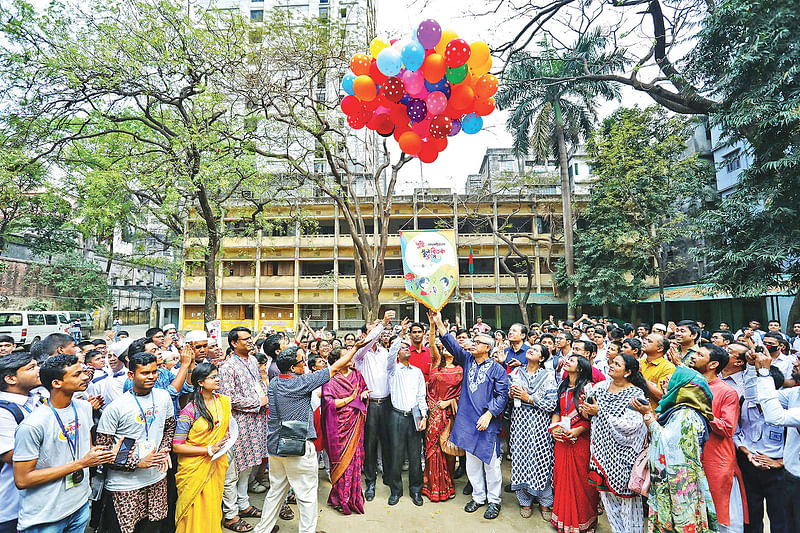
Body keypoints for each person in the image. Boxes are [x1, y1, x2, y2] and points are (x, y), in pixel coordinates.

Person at [252, 335, 370, 533]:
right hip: (297, 447)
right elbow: (334, 368)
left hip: (274, 447)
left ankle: (262, 529)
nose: (304, 363)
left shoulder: (274, 383)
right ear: (292, 368)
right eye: (301, 361)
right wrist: (355, 347)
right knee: (306, 494)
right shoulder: (301, 382)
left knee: (276, 491)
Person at [13, 354, 116, 533]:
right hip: (46, 517)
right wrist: (81, 463)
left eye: (83, 372)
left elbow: (86, 449)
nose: (85, 377)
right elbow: (23, 480)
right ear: (56, 383)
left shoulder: (84, 407)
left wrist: (104, 453)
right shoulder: (33, 424)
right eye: (76, 375)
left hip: (80, 505)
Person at [432, 311, 509, 520]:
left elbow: (502, 395)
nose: (472, 344)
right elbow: (451, 344)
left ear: (487, 348)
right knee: (472, 463)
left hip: (487, 424)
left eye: (478, 342)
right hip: (467, 421)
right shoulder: (467, 361)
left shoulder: (497, 369)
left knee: (491, 464)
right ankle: (478, 497)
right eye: (472, 341)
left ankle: (494, 501)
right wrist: (438, 322)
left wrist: (489, 414)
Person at [630, 366, 718, 533]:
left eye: (672, 380)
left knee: (679, 522)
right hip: (680, 483)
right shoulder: (682, 411)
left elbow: (668, 445)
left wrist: (647, 416)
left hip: (677, 487)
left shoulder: (686, 415)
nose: (666, 382)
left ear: (682, 388)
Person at [96, 352, 176, 533]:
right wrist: (137, 462)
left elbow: (170, 427)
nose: (151, 377)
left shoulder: (163, 397)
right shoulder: (116, 408)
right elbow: (102, 452)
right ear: (131, 375)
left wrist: (164, 449)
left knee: (153, 528)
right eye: (145, 373)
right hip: (125, 487)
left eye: (154, 372)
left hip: (157, 480)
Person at [581, 353, 649, 533]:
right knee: (609, 503)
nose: (611, 365)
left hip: (624, 458)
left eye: (617, 364)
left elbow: (632, 426)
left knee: (628, 506)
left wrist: (599, 412)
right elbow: (588, 415)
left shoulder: (635, 394)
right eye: (612, 362)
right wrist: (586, 410)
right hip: (601, 454)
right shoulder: (600, 387)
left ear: (627, 372)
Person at [218, 327, 270, 531]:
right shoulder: (227, 367)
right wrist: (258, 402)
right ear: (233, 343)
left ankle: (243, 504)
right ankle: (230, 515)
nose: (250, 342)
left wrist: (263, 399)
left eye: (250, 339)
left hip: (255, 423)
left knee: (247, 468)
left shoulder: (253, 361)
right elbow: (228, 398)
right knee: (233, 471)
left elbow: (260, 385)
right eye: (245, 339)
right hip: (238, 423)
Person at [173, 363, 231, 533]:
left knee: (212, 506)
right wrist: (207, 450)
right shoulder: (190, 410)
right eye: (213, 377)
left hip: (215, 463)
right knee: (192, 510)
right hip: (194, 468)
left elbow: (223, 429)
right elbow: (177, 446)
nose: (218, 379)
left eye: (217, 375)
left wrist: (223, 438)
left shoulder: (223, 401)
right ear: (200, 382)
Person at [735, 363, 787, 533]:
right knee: (751, 514)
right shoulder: (743, 403)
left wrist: (779, 462)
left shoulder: (787, 410)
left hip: (778, 472)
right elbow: (737, 433)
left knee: (780, 515)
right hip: (748, 466)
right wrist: (746, 452)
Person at [509, 343, 557, 520]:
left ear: (542, 358)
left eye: (536, 350)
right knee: (521, 459)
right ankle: (525, 501)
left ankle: (545, 503)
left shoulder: (549, 377)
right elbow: (508, 395)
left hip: (540, 426)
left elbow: (552, 404)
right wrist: (511, 394)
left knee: (542, 461)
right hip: (520, 425)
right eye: (531, 348)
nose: (531, 350)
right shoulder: (515, 373)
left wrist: (528, 398)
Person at [550, 354, 597, 533]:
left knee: (581, 482)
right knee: (561, 479)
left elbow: (593, 418)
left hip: (580, 440)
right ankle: (563, 520)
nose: (566, 362)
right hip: (562, 438)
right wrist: (554, 428)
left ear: (580, 368)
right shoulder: (562, 386)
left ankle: (583, 522)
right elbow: (557, 410)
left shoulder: (589, 388)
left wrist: (578, 430)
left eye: (571, 361)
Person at [754, 349, 800, 530]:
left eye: (799, 360)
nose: (795, 364)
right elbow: (759, 401)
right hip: (792, 476)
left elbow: (775, 417)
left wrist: (765, 373)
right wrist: (754, 369)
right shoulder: (796, 392)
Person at [320, 346, 369, 514]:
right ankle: (340, 499)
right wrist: (350, 398)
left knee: (355, 461)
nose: (351, 358)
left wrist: (363, 396)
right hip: (339, 427)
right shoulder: (330, 379)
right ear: (336, 361)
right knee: (342, 463)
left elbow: (363, 391)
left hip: (355, 424)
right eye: (346, 356)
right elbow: (329, 404)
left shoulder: (357, 374)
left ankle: (353, 497)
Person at [385, 318, 427, 507]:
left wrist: (424, 416)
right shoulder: (393, 370)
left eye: (407, 347)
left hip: (414, 416)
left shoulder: (417, 372)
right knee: (396, 455)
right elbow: (391, 353)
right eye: (403, 348)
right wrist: (400, 335)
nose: (406, 349)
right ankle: (395, 491)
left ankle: (416, 491)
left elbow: (421, 395)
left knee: (415, 456)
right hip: (396, 417)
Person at [351, 314, 394, 502]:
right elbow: (368, 342)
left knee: (387, 442)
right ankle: (370, 481)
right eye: (373, 329)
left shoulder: (385, 353)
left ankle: (387, 476)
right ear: (366, 334)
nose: (378, 332)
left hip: (387, 404)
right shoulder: (361, 354)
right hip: (369, 406)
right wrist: (381, 324)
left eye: (379, 329)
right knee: (369, 444)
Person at [0, 353, 43, 533]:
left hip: (36, 502)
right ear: (10, 379)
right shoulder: (3, 411)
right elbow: (13, 456)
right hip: (11, 506)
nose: (39, 370)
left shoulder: (36, 400)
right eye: (31, 368)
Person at [421, 315, 462, 503]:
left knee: (446, 450)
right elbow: (431, 344)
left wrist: (450, 401)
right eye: (444, 347)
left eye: (449, 347)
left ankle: (446, 485)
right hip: (432, 413)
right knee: (431, 450)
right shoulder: (437, 363)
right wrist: (432, 326)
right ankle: (431, 486)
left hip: (448, 414)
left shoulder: (461, 370)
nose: (445, 350)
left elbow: (464, 394)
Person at [639, 333, 676, 411]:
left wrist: (640, 376)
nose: (644, 342)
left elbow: (662, 396)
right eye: (645, 339)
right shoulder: (640, 362)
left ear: (660, 349)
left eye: (649, 341)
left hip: (652, 413)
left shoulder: (668, 368)